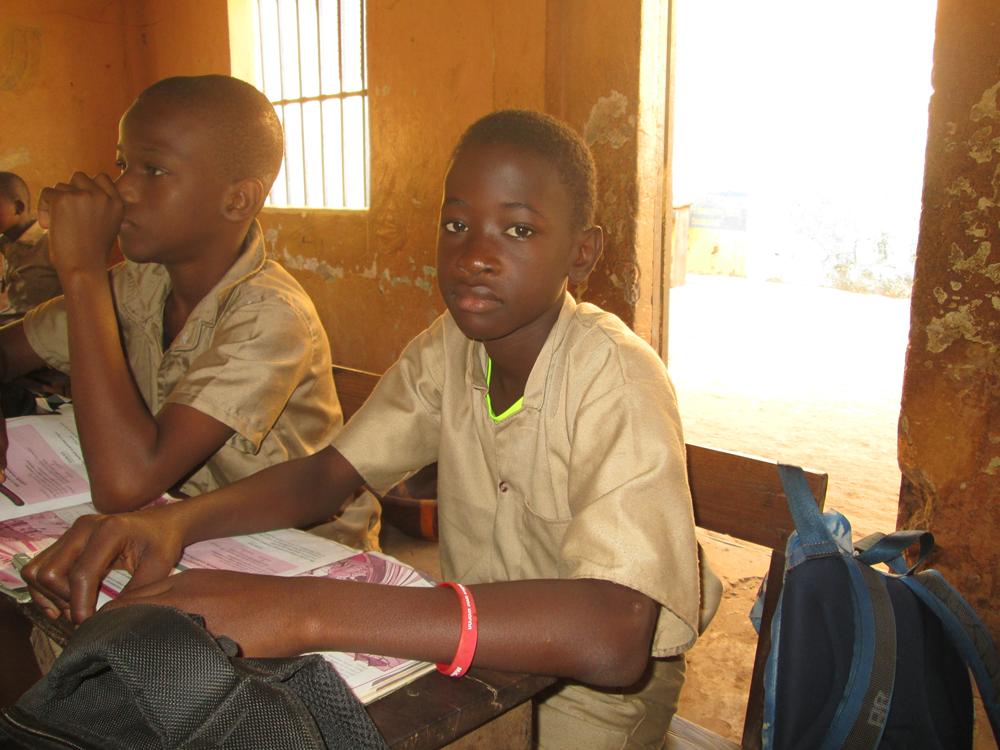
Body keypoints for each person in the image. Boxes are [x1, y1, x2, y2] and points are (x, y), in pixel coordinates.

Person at [23, 110, 715, 748]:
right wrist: (173, 523)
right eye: (456, 225)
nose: (475, 254)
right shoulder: (449, 347)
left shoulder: (614, 377)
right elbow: (330, 474)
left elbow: (613, 635)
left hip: (588, 701)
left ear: (582, 253)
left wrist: (306, 610)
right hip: (473, 652)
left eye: (519, 230)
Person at [0, 76, 378, 550]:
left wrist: (81, 272)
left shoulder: (271, 316)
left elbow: (123, 486)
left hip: (298, 554)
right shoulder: (137, 285)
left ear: (237, 200)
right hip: (185, 532)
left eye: (154, 170)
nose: (122, 189)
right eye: (122, 164)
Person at [0, 171, 62, 315]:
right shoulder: (6, 243)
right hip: (20, 319)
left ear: (18, 208)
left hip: (52, 320)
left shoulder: (51, 241)